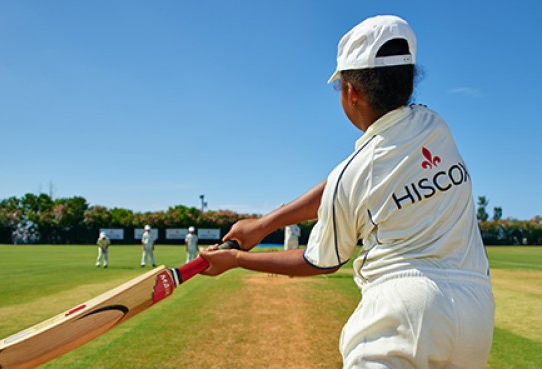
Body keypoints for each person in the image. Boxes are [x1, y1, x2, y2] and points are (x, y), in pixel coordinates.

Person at [200, 15, 494, 369]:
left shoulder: (354, 173)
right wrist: (265, 224)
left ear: (352, 92)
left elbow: (318, 260)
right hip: (476, 313)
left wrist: (237, 259)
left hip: (402, 315)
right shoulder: (434, 126)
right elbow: (348, 184)